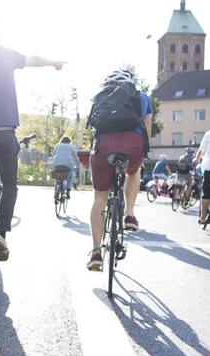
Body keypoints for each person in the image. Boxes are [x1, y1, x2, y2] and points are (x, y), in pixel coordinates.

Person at [0, 15, 65, 261]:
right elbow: (34, 60)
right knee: (9, 183)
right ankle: (1, 235)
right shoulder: (4, 54)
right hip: (3, 131)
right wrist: (53, 63)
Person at [87, 69, 153, 271]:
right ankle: (129, 214)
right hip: (133, 146)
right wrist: (143, 150)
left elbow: (93, 125)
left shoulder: (99, 96)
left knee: (100, 198)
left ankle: (96, 252)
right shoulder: (142, 97)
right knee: (133, 172)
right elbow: (147, 130)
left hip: (104, 146)